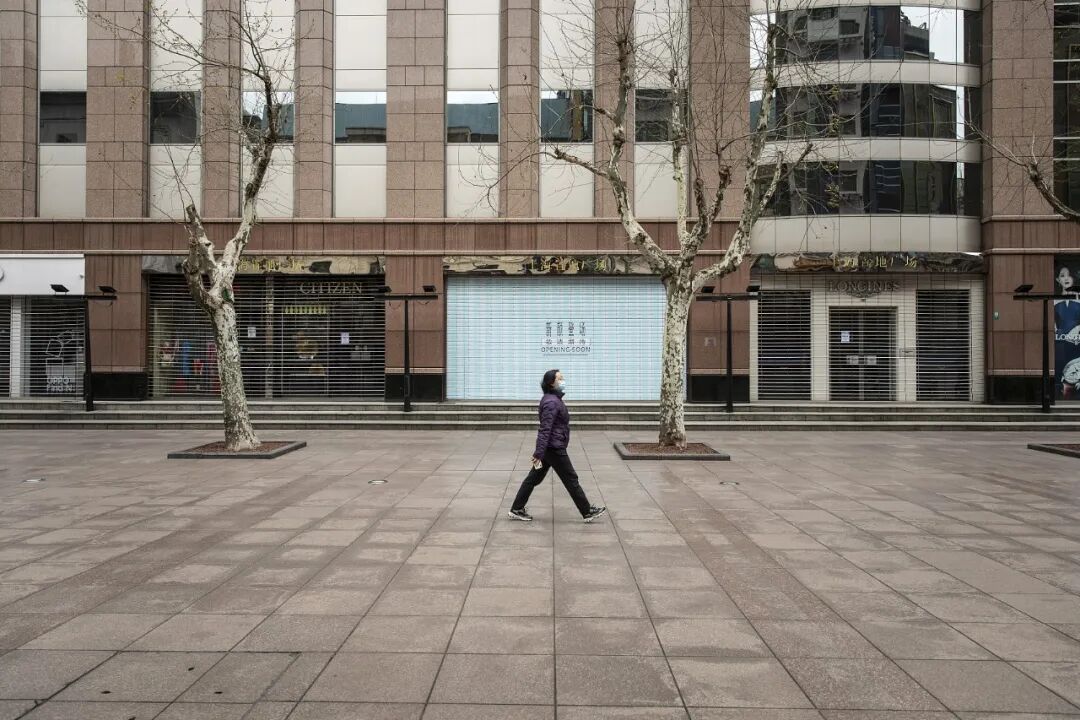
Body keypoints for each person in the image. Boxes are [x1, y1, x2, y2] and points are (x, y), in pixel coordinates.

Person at [508, 369, 607, 523]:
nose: (563, 381)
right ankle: (587, 511)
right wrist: (538, 453)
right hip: (554, 448)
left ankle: (516, 508)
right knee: (571, 479)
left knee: (533, 478)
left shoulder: (553, 399)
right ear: (551, 383)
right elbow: (545, 429)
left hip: (549, 448)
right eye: (559, 379)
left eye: (562, 378)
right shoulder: (551, 402)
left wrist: (541, 452)